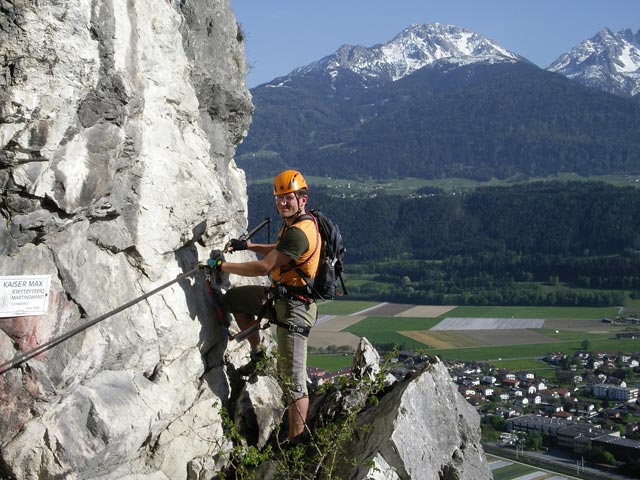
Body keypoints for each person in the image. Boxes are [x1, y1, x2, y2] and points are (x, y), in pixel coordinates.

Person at [215, 169, 320, 443]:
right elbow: (276, 249)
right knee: (234, 301)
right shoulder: (293, 225)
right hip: (279, 297)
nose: (282, 203)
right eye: (279, 198)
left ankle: (296, 440)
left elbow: (265, 266)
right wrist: (247, 245)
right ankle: (258, 351)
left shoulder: (301, 232)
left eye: (288, 198)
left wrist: (222, 265)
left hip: (295, 309)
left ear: (302, 199)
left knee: (293, 378)